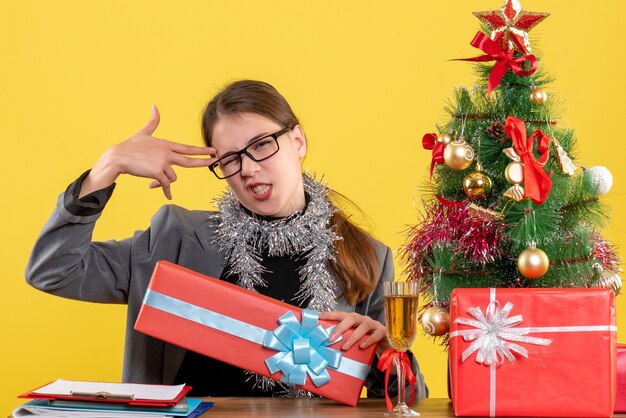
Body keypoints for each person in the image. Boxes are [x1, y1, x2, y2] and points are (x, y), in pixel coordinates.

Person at [26, 80, 427, 398]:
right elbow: (54, 270)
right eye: (230, 159)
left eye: (261, 146)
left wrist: (384, 355)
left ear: (298, 141)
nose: (248, 169)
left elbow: (411, 399)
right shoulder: (175, 238)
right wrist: (106, 169)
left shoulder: (368, 256)